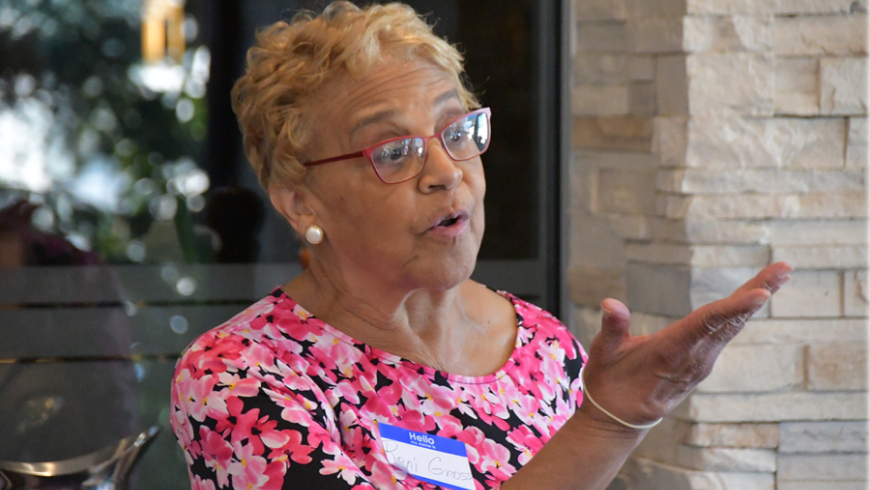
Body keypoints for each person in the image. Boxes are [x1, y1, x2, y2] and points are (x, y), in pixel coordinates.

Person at [169, 3, 791, 489]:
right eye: (393, 151)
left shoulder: (545, 348)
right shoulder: (243, 377)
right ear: (300, 200)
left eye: (456, 129)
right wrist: (608, 424)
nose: (446, 171)